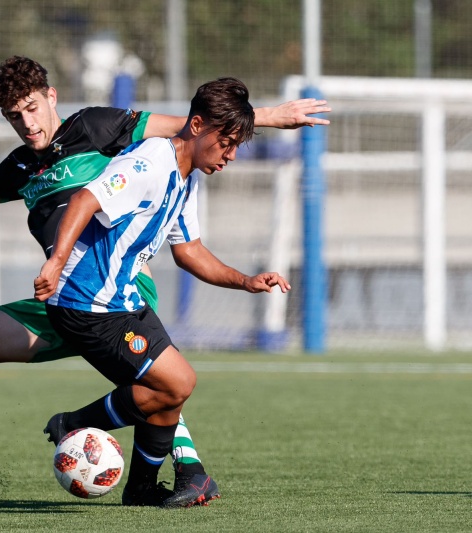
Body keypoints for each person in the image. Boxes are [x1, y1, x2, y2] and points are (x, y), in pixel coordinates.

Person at [0, 56, 328, 507]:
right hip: (62, 291)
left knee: (159, 379)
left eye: (33, 109)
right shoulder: (21, 166)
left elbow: (183, 128)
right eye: (14, 116)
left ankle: (183, 465)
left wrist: (265, 116)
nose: (28, 124)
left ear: (51, 96)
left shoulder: (96, 127)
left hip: (115, 286)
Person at [35, 77, 293, 507]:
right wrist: (56, 262)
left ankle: (141, 489)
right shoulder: (151, 162)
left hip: (122, 300)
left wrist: (245, 281)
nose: (229, 155)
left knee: (169, 392)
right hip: (87, 302)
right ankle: (72, 423)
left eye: (235, 147)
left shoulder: (187, 176)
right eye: (225, 142)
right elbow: (85, 199)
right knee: (177, 381)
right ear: (196, 125)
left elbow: (189, 251)